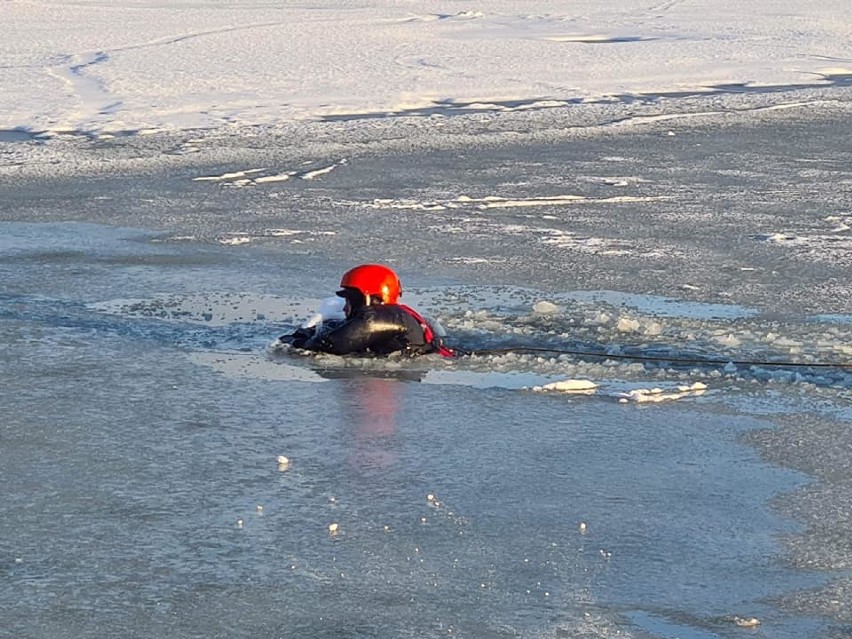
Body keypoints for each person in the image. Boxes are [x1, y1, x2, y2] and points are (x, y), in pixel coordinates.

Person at [280, 264, 454, 357]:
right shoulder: (395, 315)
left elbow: (332, 345)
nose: (344, 307)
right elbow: (337, 328)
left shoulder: (383, 318)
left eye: (349, 300)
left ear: (368, 299)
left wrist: (297, 342)